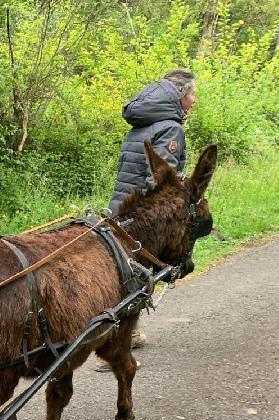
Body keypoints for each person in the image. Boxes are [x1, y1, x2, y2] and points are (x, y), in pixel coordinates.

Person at [97, 69, 197, 372]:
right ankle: (116, 343)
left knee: (123, 271)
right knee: (137, 274)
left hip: (122, 205)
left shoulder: (144, 122)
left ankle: (126, 333)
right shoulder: (170, 128)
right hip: (143, 215)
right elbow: (162, 182)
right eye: (192, 94)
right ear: (179, 95)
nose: (194, 101)